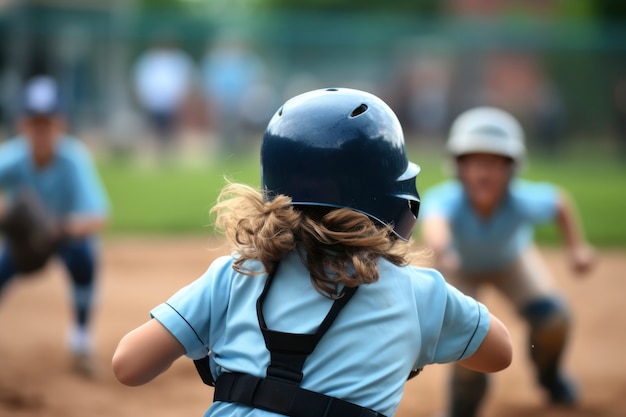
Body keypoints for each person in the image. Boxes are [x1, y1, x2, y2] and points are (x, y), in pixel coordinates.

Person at [112, 88, 512, 417]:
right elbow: (500, 353)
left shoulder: (236, 273)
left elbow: (128, 365)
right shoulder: (418, 293)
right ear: (389, 195)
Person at [419, 107, 595, 417]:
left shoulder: (520, 198)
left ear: (511, 169)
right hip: (458, 265)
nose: (483, 173)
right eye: (474, 163)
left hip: (510, 261)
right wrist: (442, 248)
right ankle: (463, 408)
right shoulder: (446, 199)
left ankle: (550, 378)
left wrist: (577, 248)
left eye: (494, 164)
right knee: (467, 337)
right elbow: (435, 223)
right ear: (458, 167)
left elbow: (559, 203)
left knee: (554, 321)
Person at [0, 75, 110, 377]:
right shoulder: (13, 156)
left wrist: (57, 228)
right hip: (24, 241)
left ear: (60, 123)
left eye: (47, 121)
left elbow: (98, 216)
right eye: (35, 121)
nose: (41, 129)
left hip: (63, 235)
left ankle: (81, 341)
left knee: (84, 256)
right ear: (23, 123)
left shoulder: (73, 158)